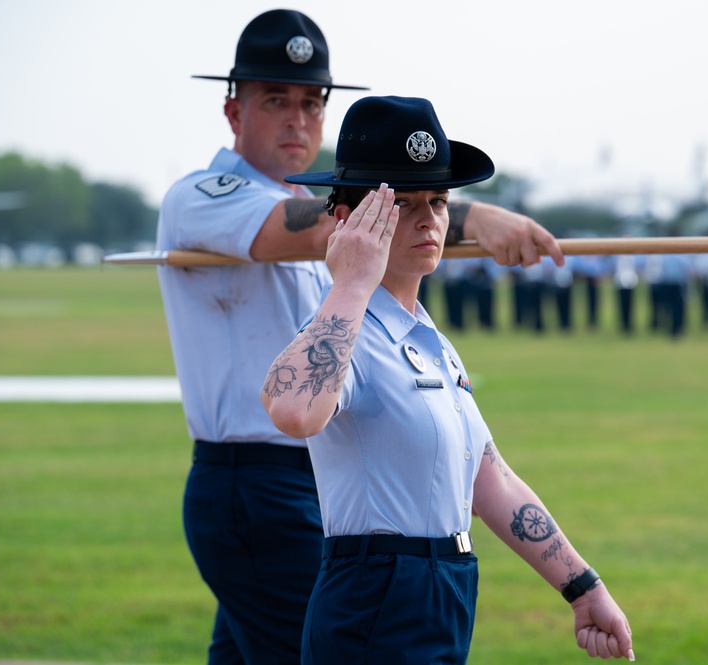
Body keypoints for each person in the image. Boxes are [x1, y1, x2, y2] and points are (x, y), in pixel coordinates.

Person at [155, 10, 565, 665]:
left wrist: (430, 210)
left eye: (312, 102)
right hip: (255, 476)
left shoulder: (344, 214)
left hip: (324, 473)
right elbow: (308, 224)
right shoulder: (205, 196)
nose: (298, 119)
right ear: (233, 111)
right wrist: (464, 210)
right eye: (275, 100)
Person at [261, 95, 634, 664]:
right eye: (402, 204)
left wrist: (583, 587)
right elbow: (292, 411)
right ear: (347, 218)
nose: (429, 220)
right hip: (375, 593)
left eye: (437, 201)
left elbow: (490, 481)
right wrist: (353, 282)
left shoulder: (428, 339)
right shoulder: (342, 327)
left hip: (446, 585)